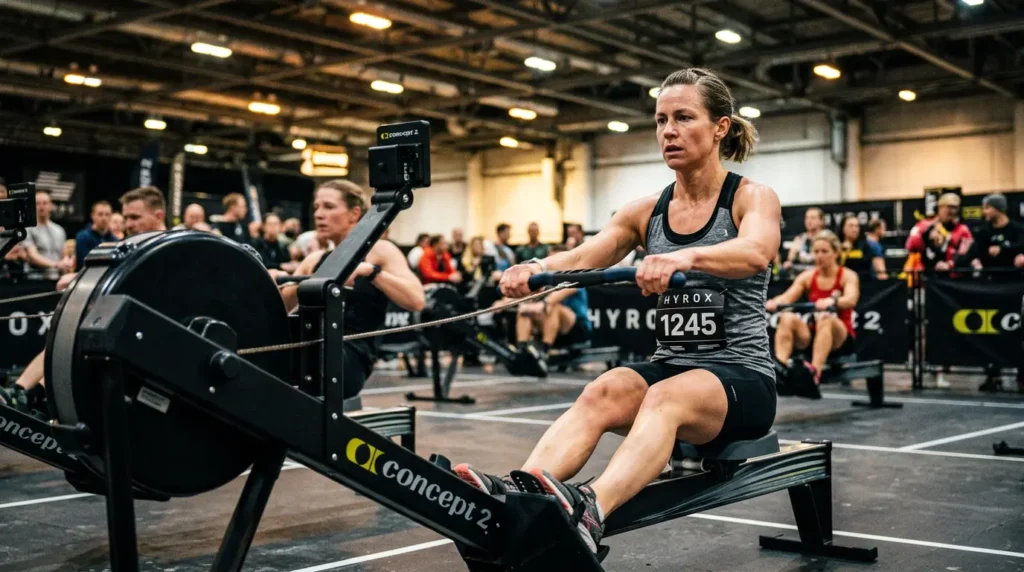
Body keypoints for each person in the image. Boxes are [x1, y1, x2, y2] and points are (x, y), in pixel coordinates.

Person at [453, 67, 780, 554]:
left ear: (720, 127)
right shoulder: (644, 210)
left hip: (741, 380)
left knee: (664, 397)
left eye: (684, 117)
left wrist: (683, 256)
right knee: (606, 387)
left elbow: (756, 251)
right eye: (661, 120)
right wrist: (537, 267)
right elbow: (584, 257)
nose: (668, 131)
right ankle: (518, 490)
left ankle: (590, 510)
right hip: (673, 369)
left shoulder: (750, 196)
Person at [1, 186, 169, 412]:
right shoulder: (135, 244)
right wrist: (78, 277)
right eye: (126, 216)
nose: (128, 223)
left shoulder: (166, 248)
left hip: (146, 333)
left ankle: (35, 397)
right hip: (122, 324)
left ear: (158, 216)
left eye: (135, 217)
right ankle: (20, 393)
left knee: (80, 336)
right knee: (65, 331)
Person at [279, 180, 425, 398]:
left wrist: (373, 273)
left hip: (351, 356)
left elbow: (416, 300)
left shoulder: (380, 251)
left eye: (329, 207)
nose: (319, 214)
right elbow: (283, 307)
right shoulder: (314, 259)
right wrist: (283, 283)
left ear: (354, 214)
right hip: (312, 346)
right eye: (317, 207)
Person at [766, 230, 860, 398]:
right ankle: (780, 368)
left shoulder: (848, 276)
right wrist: (774, 302)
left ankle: (813, 375)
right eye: (816, 252)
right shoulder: (808, 276)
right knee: (787, 318)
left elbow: (851, 299)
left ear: (836, 253)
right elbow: (787, 297)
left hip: (840, 339)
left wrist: (834, 302)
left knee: (826, 318)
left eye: (824, 251)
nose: (819, 256)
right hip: (814, 338)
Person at [514, 244, 591, 358]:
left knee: (553, 307)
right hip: (553, 326)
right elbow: (530, 298)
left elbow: (554, 298)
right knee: (525, 312)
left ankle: (544, 352)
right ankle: (522, 351)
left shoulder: (576, 276)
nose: (551, 264)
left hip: (577, 328)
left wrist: (541, 305)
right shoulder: (548, 279)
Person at [906, 192, 972, 275]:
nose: (952, 211)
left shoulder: (962, 229)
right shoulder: (923, 225)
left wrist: (949, 264)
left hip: (953, 276)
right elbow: (911, 246)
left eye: (955, 208)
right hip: (929, 275)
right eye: (949, 207)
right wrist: (927, 234)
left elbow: (965, 253)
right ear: (939, 208)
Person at [963, 193, 1024, 276]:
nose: (984, 212)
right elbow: (974, 252)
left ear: (999, 209)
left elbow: (1020, 245)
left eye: (987, 208)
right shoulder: (983, 231)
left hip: (1014, 279)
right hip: (990, 281)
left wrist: (1002, 249)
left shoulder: (1018, 229)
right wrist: (975, 261)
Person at [22, 189, 70, 277]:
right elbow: (32, 256)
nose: (41, 206)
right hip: (35, 279)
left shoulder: (59, 230)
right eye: (38, 203)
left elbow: (64, 254)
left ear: (50, 206)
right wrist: (56, 265)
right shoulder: (28, 229)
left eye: (45, 203)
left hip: (56, 277)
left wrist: (66, 262)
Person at [74, 200, 117, 270]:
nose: (104, 218)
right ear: (92, 216)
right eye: (100, 214)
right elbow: (84, 263)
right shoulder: (82, 237)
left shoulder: (115, 239)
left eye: (107, 214)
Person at [784, 207, 824, 273]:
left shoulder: (827, 238)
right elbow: (790, 259)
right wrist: (790, 259)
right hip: (801, 272)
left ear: (821, 221)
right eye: (807, 218)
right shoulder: (800, 238)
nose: (809, 221)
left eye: (813, 218)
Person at [838, 215, 872, 280]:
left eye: (857, 226)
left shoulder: (865, 246)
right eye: (851, 226)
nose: (855, 229)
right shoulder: (836, 246)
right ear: (843, 228)